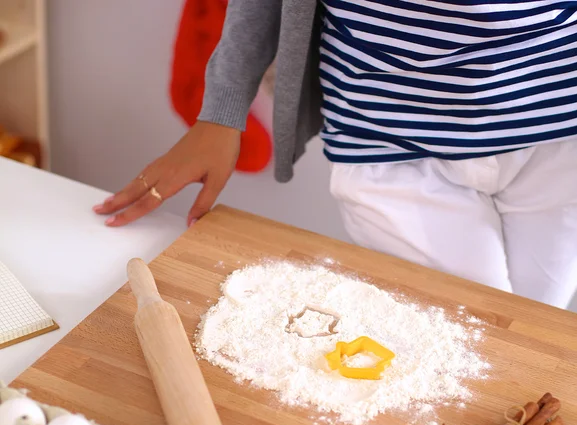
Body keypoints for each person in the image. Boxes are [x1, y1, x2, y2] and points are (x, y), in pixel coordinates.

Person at [93, 0, 577, 309]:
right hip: (385, 138)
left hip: (558, 127)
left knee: (542, 333)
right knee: (473, 334)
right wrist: (223, 107)